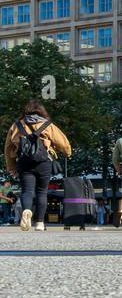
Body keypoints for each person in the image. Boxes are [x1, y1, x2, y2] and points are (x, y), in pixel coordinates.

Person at [4, 100, 72, 233]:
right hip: (43, 162)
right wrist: (67, 153)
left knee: (27, 191)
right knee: (42, 192)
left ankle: (27, 211)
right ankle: (40, 223)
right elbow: (63, 143)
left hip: (24, 162)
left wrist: (11, 165)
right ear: (42, 111)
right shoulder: (47, 125)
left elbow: (8, 147)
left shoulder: (16, 125)